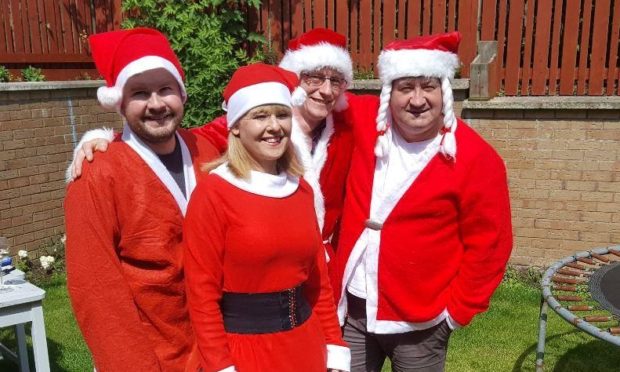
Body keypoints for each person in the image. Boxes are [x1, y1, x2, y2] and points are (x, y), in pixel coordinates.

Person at [66, 28, 355, 262]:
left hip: (322, 268)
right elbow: (172, 135)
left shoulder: (350, 126)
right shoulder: (251, 122)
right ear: (295, 81)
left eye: (336, 80)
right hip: (266, 265)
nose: (326, 90)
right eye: (314, 77)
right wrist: (105, 139)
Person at [330, 32, 513, 371]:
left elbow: (491, 245)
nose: (417, 100)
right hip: (353, 311)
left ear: (444, 92)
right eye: (405, 88)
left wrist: (454, 315)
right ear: (388, 94)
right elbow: (306, 97)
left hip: (421, 325)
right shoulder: (365, 123)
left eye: (427, 87)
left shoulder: (477, 158)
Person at [64, 28, 221, 371]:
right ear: (119, 101)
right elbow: (95, 289)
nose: (156, 104)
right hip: (153, 355)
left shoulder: (205, 150)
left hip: (218, 350)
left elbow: (261, 116)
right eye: (139, 93)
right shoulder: (97, 173)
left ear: (182, 93)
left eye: (165, 89)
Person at [183, 63, 350, 372]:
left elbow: (318, 282)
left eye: (282, 114)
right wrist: (221, 364)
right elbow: (201, 295)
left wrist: (334, 346)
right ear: (235, 125)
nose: (274, 126)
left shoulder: (299, 189)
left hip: (305, 347)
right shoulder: (214, 194)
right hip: (245, 353)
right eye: (260, 116)